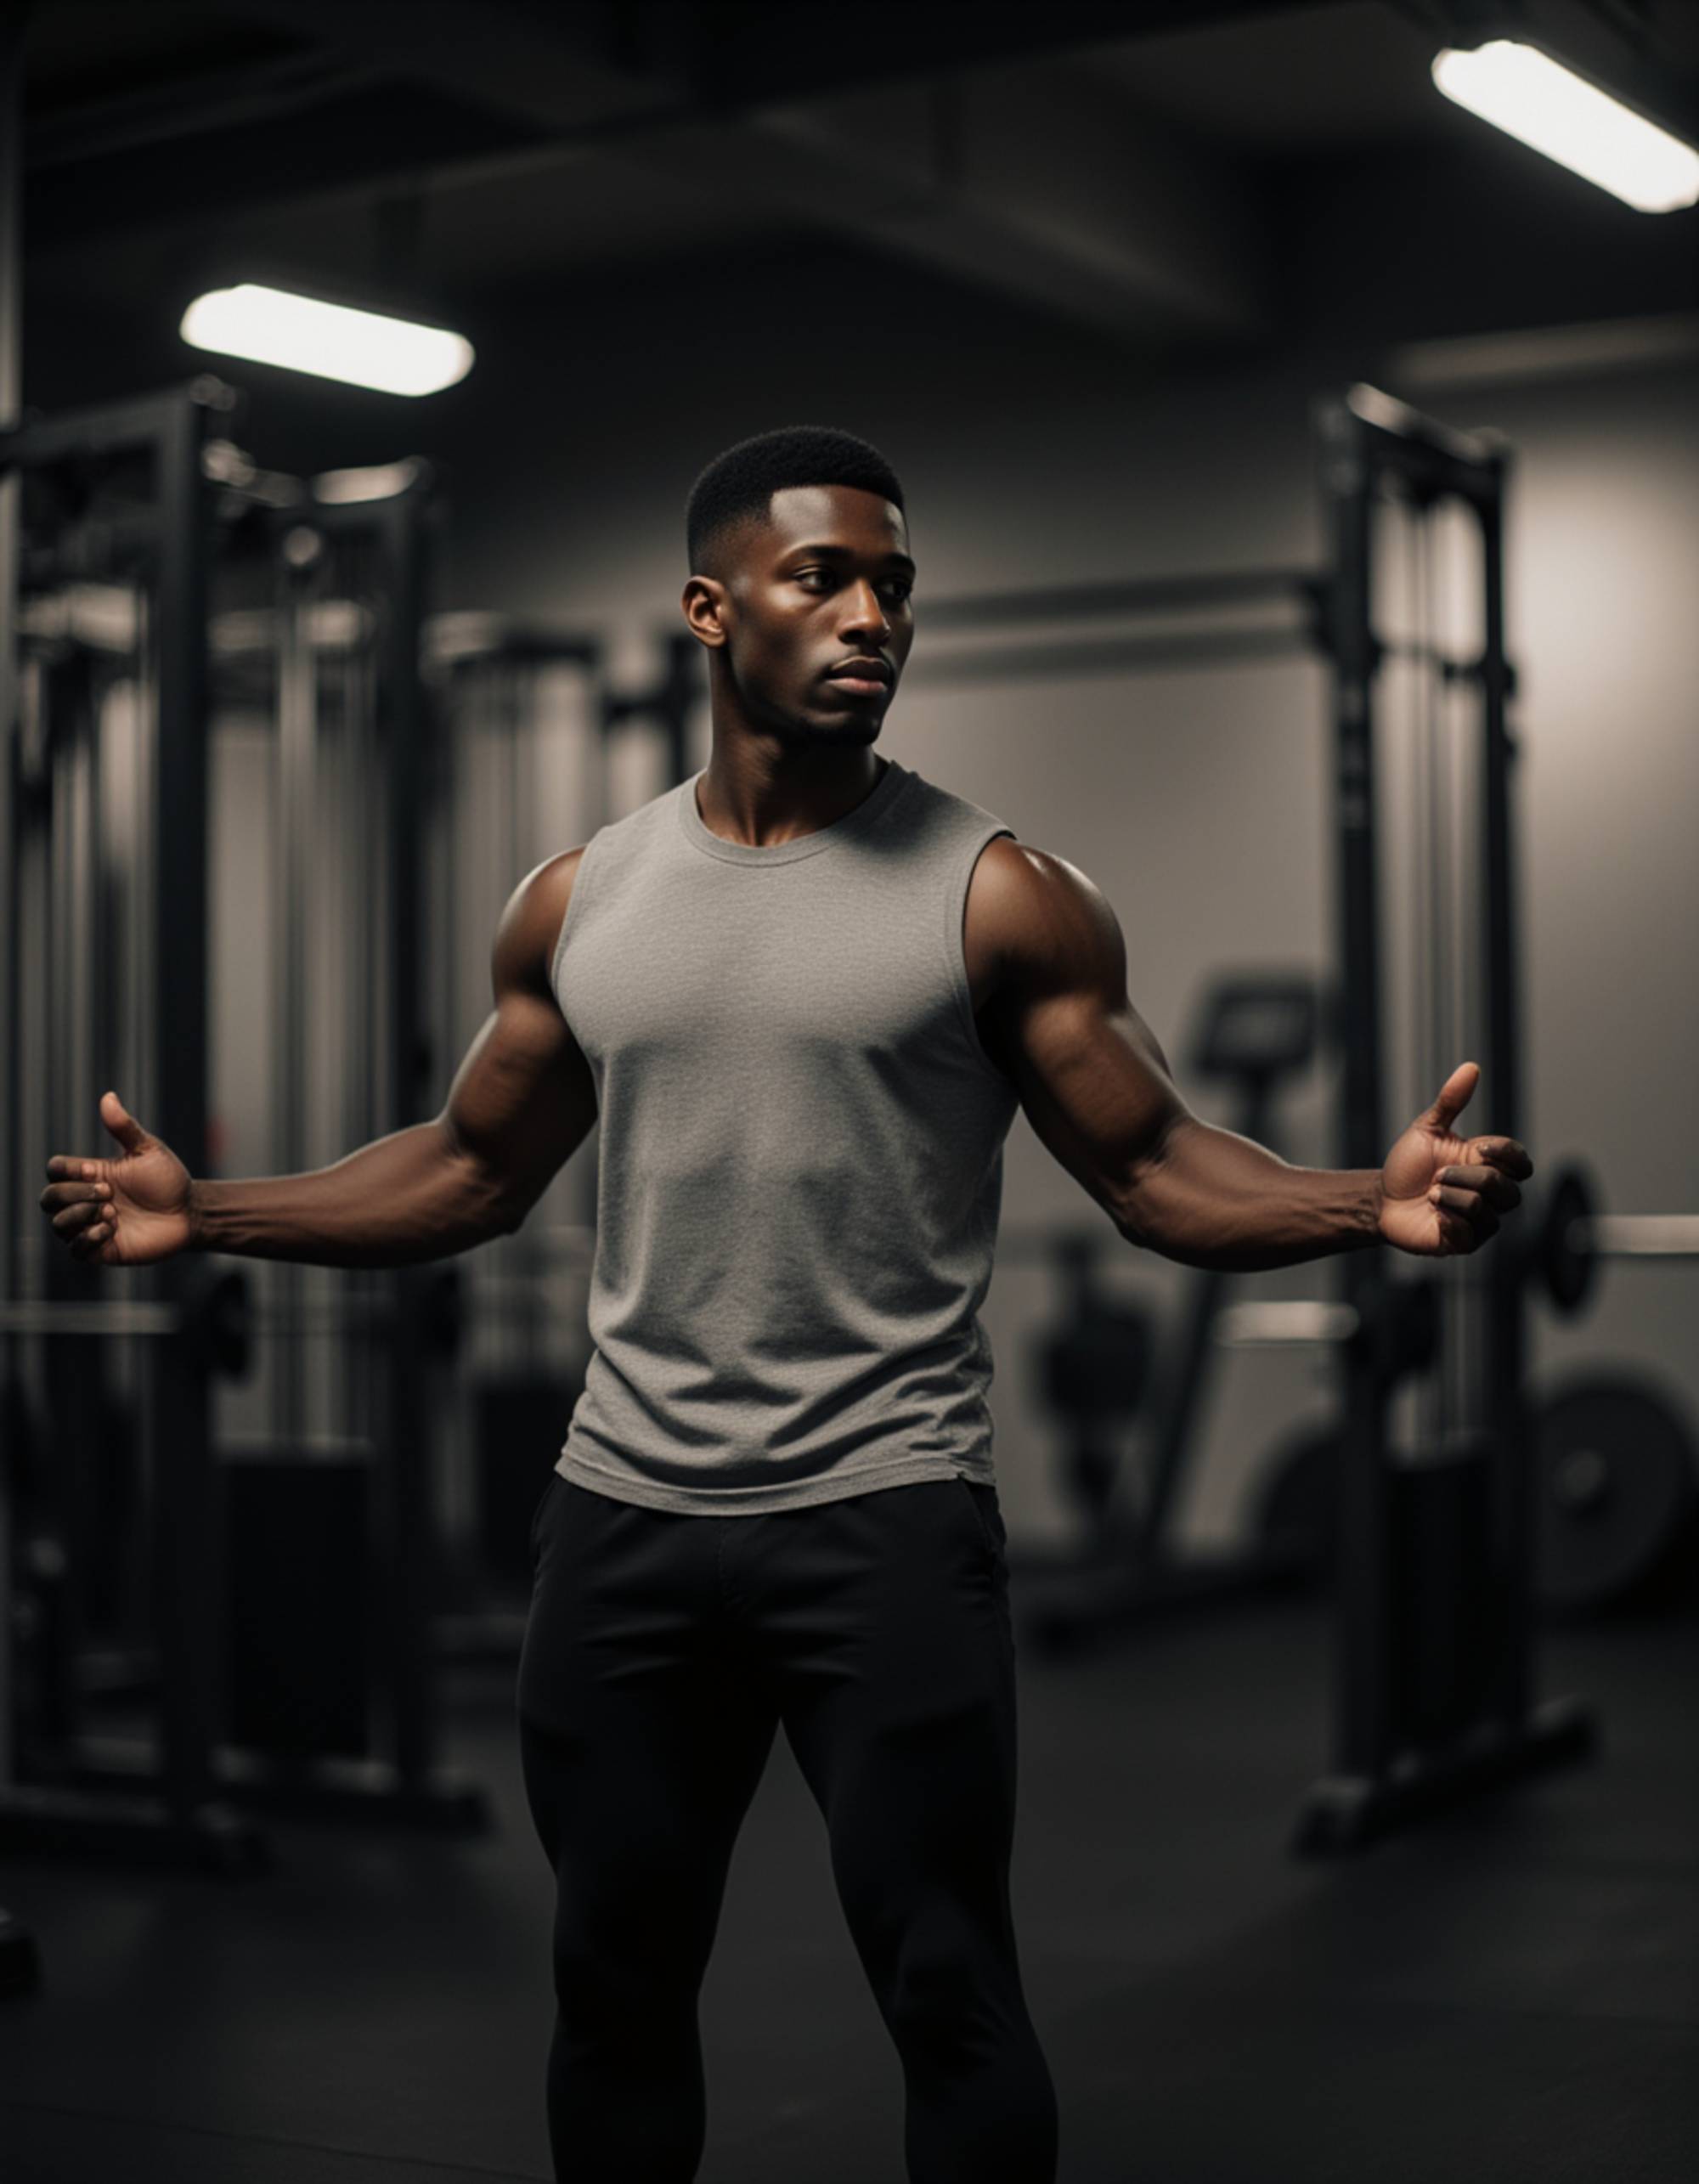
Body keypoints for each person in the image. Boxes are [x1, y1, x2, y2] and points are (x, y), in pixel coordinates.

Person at [40, 424, 1532, 2184]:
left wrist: (1367, 1200)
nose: (870, 616)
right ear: (707, 606)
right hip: (624, 1526)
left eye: (894, 584)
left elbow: (1152, 1169)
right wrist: (210, 1207)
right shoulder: (579, 900)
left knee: (947, 1987)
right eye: (824, 574)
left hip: (884, 1520)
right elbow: (467, 1165)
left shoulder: (1003, 894)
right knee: (610, 1983)